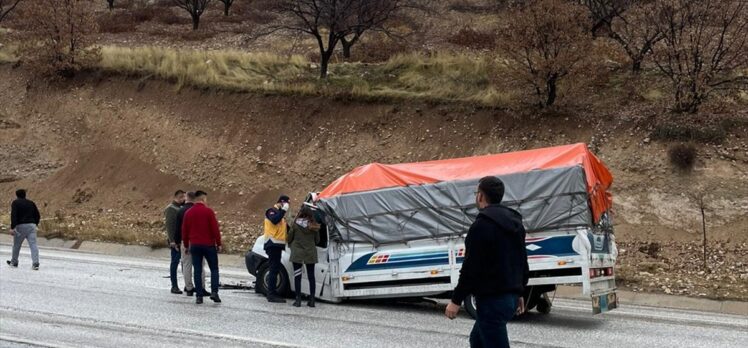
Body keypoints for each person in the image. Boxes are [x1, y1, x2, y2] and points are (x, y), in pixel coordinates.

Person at [445, 176, 529, 348]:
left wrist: (456, 300)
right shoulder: (516, 223)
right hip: (510, 298)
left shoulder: (481, 226)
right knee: (477, 340)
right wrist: (520, 292)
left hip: (493, 301)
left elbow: (470, 268)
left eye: (477, 193)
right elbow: (521, 260)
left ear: (481, 196)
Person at [181, 191, 222, 304]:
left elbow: (184, 231)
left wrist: (185, 245)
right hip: (208, 245)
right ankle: (214, 292)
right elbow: (215, 230)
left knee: (197, 270)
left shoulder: (188, 213)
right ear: (203, 199)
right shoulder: (208, 212)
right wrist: (218, 243)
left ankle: (199, 296)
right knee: (214, 269)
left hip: (194, 245)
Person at [287, 205, 321, 307]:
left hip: (297, 254)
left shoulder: (295, 225)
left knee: (298, 276)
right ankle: (312, 300)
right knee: (311, 277)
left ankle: (298, 300)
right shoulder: (314, 226)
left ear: (301, 213)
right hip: (310, 253)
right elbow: (317, 241)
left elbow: (289, 238)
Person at [175, 191, 207, 297]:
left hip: (186, 241)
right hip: (198, 241)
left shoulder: (181, 211)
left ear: (187, 198)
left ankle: (189, 288)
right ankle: (201, 287)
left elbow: (178, 228)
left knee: (187, 265)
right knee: (200, 265)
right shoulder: (199, 210)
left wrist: (177, 241)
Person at [263, 195, 290, 303]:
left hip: (277, 245)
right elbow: (274, 220)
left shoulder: (281, 216)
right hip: (272, 244)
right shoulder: (271, 211)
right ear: (282, 202)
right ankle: (271, 294)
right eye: (287, 203)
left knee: (275, 269)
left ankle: (273, 293)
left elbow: (285, 230)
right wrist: (283, 210)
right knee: (273, 269)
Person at [7, 189, 41, 270]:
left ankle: (14, 262)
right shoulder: (31, 203)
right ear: (25, 194)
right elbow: (37, 215)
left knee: (16, 245)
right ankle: (35, 263)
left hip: (20, 226)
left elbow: (14, 215)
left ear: (16, 195)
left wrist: (13, 227)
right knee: (33, 245)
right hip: (31, 226)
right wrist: (35, 223)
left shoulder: (15, 203)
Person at [164, 190, 185, 294]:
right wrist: (172, 241)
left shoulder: (180, 208)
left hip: (181, 240)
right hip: (175, 241)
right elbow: (169, 226)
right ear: (179, 197)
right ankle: (174, 285)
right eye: (182, 198)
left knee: (184, 263)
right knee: (175, 262)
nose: (184, 200)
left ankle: (187, 284)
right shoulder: (171, 209)